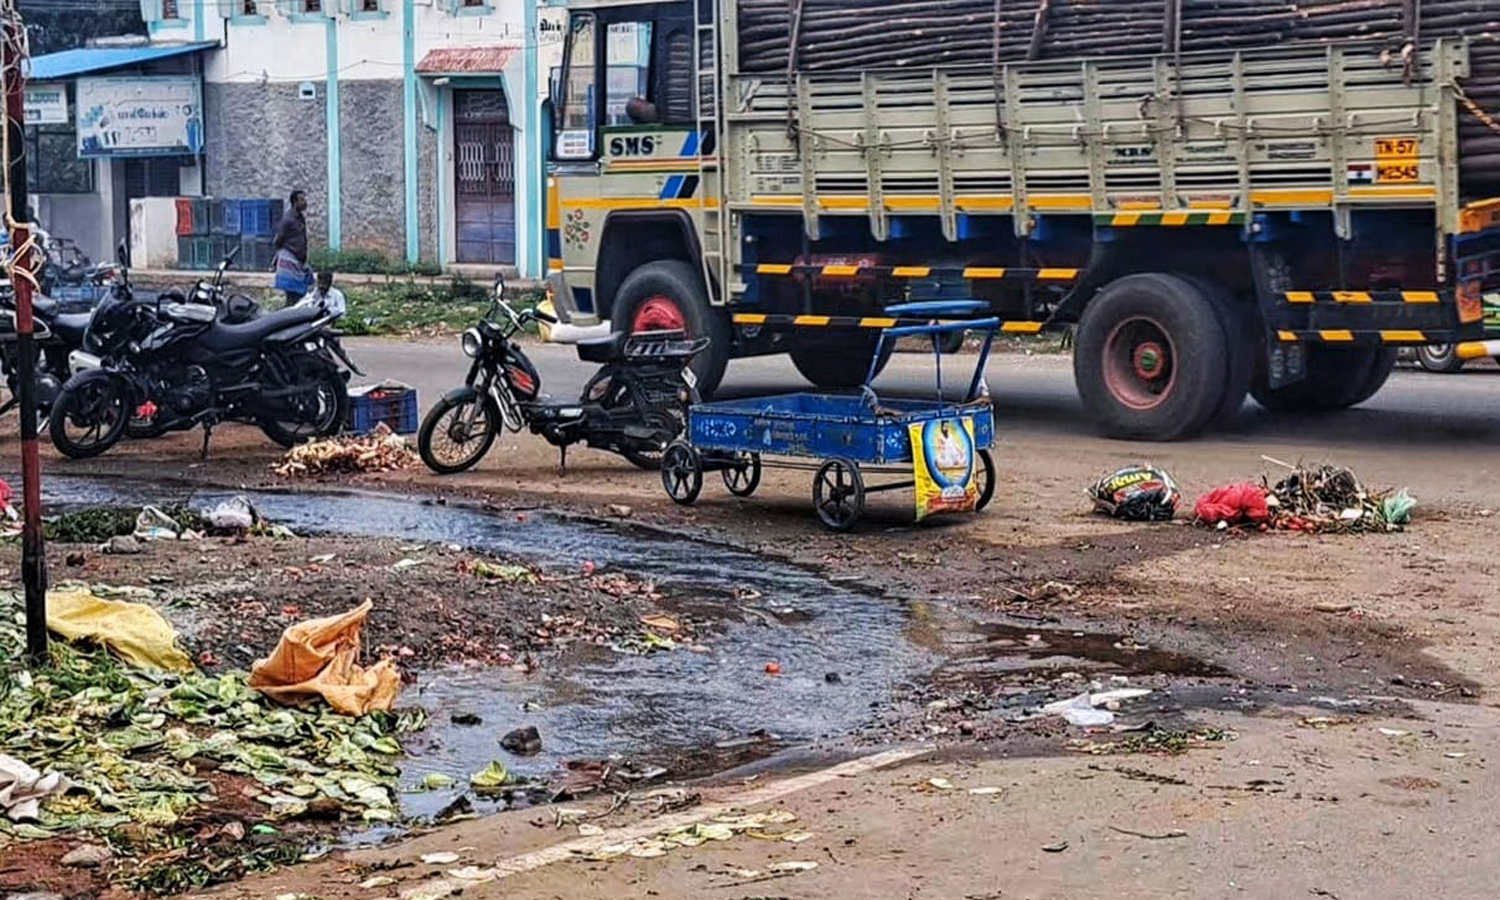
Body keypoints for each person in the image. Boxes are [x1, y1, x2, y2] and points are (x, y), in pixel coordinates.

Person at [272, 189, 312, 302]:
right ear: (295, 202)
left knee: (300, 293)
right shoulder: (288, 219)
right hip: (290, 261)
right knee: (293, 294)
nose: (305, 202)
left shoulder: (300, 217)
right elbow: (278, 240)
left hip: (298, 261)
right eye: (302, 200)